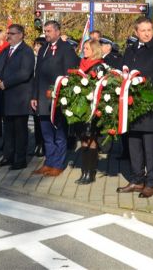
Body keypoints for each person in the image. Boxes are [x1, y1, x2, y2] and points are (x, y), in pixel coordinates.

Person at [117, 17, 153, 198]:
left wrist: (142, 82)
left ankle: (150, 183)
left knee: (149, 146)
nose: (147, 33)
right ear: (136, 32)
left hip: (148, 103)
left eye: (149, 30)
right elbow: (123, 70)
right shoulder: (130, 50)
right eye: (143, 30)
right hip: (131, 104)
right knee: (134, 145)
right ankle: (137, 180)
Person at [31, 20, 79, 177]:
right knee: (46, 134)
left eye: (49, 31)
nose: (46, 34)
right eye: (45, 31)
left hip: (58, 98)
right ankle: (49, 162)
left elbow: (70, 74)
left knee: (59, 133)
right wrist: (34, 96)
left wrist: (63, 96)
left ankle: (58, 164)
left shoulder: (67, 49)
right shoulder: (44, 48)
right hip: (43, 98)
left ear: (58, 32)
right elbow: (37, 74)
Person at [0, 24, 35, 170]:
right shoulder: (5, 51)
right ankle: (8, 157)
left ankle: (20, 160)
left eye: (13, 34)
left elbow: (25, 73)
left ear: (21, 35)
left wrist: (5, 83)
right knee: (8, 130)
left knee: (20, 131)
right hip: (4, 98)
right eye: (8, 33)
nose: (9, 36)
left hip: (18, 98)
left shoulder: (26, 51)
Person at [75, 39, 108, 184]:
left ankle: (91, 173)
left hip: (94, 108)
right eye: (84, 48)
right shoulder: (82, 63)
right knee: (83, 138)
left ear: (94, 50)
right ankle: (84, 171)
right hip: (80, 107)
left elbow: (100, 86)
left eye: (87, 48)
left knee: (92, 139)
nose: (84, 50)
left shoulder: (99, 66)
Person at [32, 37, 47, 157]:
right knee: (36, 121)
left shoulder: (45, 59)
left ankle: (43, 145)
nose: (36, 48)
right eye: (35, 45)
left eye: (39, 45)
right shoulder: (32, 59)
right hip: (32, 93)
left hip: (43, 94)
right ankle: (37, 144)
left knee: (43, 122)